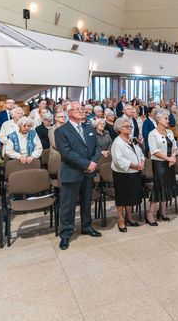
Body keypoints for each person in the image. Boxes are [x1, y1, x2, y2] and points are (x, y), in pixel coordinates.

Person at [55, 102, 101, 251]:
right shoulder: (61, 131)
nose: (82, 111)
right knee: (68, 206)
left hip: (88, 173)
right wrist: (87, 164)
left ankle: (86, 226)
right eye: (77, 109)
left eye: (82, 109)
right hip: (71, 172)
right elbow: (66, 152)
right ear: (69, 112)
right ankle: (66, 234)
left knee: (87, 202)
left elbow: (97, 147)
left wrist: (94, 162)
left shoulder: (89, 128)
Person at [110, 118, 145, 232]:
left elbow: (140, 152)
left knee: (131, 196)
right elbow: (118, 160)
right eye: (126, 126)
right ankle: (120, 219)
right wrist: (134, 165)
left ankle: (129, 217)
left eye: (130, 126)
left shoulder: (132, 140)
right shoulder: (117, 142)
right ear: (119, 129)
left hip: (135, 172)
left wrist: (142, 161)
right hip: (122, 174)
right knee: (122, 198)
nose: (129, 128)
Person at [147, 109, 178, 225]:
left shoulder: (169, 132)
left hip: (170, 163)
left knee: (166, 186)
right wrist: (168, 158)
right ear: (159, 120)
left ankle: (162, 211)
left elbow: (175, 147)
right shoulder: (152, 134)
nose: (168, 120)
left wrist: (173, 157)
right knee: (159, 187)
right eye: (165, 118)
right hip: (159, 164)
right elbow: (154, 151)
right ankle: (150, 214)